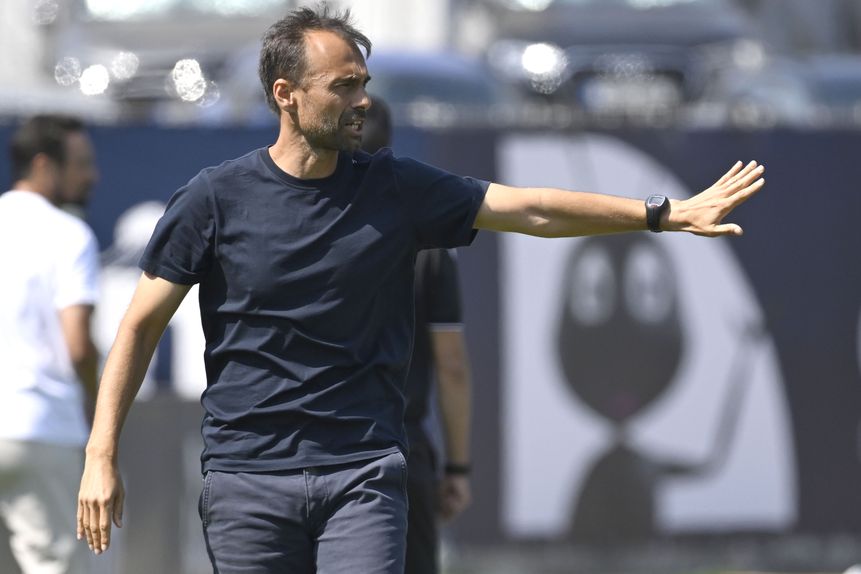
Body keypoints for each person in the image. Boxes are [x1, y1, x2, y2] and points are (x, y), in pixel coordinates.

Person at [77, 5, 765, 574]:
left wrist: (660, 213)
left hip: (363, 476)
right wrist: (101, 455)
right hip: (247, 482)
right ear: (286, 95)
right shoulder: (213, 200)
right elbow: (139, 327)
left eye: (363, 83)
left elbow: (530, 209)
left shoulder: (396, 189)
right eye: (343, 86)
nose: (362, 100)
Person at [362, 97, 473, 574]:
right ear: (388, 146)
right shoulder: (427, 240)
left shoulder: (300, 222)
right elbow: (451, 365)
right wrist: (458, 467)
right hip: (399, 447)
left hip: (311, 449)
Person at [0, 115, 100, 574]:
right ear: (43, 165)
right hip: (39, 427)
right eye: (81, 164)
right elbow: (78, 345)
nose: (91, 176)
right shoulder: (69, 234)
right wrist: (99, 407)